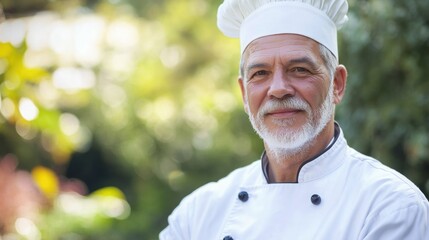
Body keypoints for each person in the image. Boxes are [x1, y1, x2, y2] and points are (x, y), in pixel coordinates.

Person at [160, 0, 429, 239]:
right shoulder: (197, 215)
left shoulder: (390, 207)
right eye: (260, 73)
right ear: (244, 93)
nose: (278, 88)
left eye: (299, 69)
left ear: (337, 83)